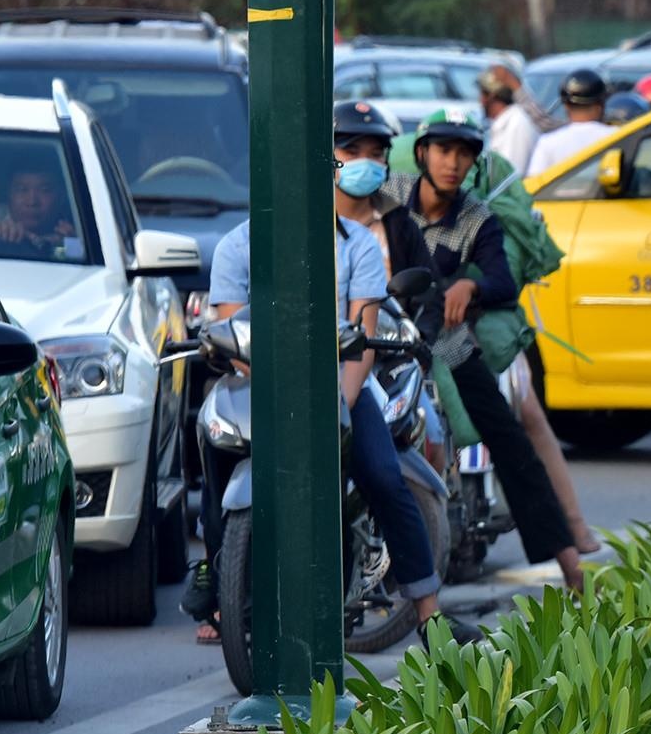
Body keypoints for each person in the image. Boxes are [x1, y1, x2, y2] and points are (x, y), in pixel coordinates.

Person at [187, 110, 474, 647]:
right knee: (214, 450)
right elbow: (234, 336)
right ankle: (215, 576)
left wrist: (335, 403)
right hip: (256, 384)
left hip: (341, 385)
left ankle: (429, 612)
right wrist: (277, 394)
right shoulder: (236, 247)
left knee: (385, 476)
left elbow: (362, 337)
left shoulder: (357, 245)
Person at [386, 111, 585, 592]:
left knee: (508, 434)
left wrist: (469, 286)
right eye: (443, 150)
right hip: (382, 333)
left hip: (445, 336)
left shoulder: (477, 217)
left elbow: (501, 279)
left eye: (464, 153)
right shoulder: (389, 198)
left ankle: (571, 565)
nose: (452, 163)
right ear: (422, 154)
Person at [526, 69, 615, 178]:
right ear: (601, 104)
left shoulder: (548, 143)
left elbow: (534, 183)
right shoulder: (618, 137)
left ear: (566, 105)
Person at [0, 165, 77, 251]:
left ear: (61, 196)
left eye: (44, 190)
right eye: (22, 190)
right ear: (8, 194)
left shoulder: (79, 231)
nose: (32, 202)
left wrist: (72, 248)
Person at [478, 65, 542, 174]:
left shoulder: (517, 124)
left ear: (491, 96)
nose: (480, 100)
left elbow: (510, 176)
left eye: (482, 94)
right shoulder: (503, 122)